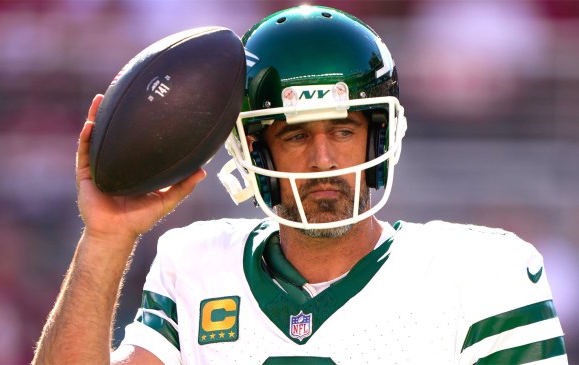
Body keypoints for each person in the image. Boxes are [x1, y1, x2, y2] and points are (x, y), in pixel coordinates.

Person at [32, 5, 568, 365]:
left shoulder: (478, 274)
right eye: (294, 136)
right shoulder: (193, 264)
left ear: (379, 136)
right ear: (255, 148)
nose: (323, 159)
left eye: (343, 129)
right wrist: (105, 241)